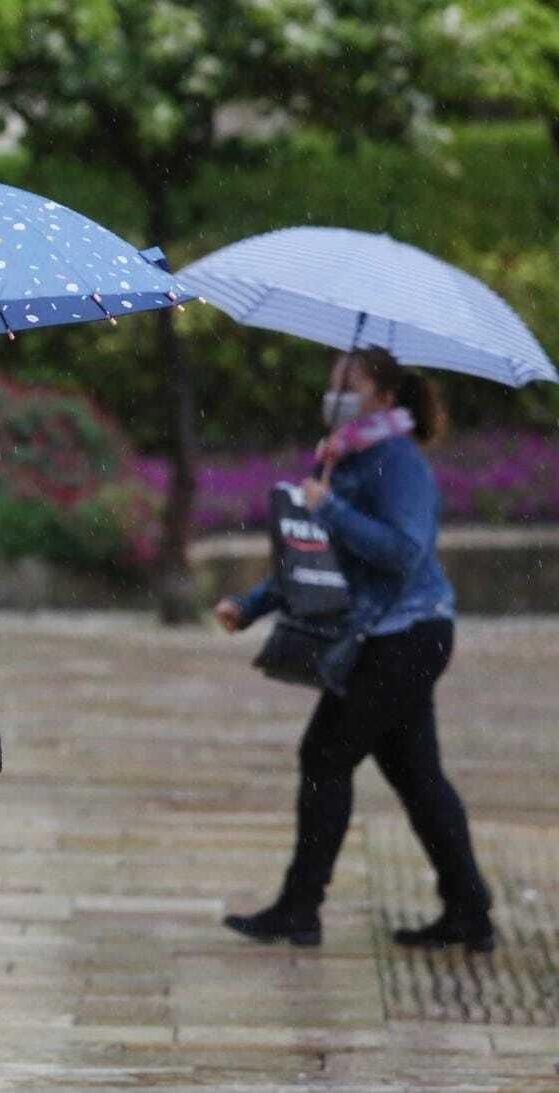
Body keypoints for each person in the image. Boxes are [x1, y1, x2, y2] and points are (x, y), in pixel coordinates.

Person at [215, 348, 492, 952]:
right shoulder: (344, 457)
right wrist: (252, 604)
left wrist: (331, 508)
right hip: (384, 635)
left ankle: (300, 909)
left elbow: (404, 551)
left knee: (324, 755)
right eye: (333, 382)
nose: (335, 394)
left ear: (384, 397)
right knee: (417, 776)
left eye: (351, 384)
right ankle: (469, 910)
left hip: (407, 636)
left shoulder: (398, 461)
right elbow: (315, 553)